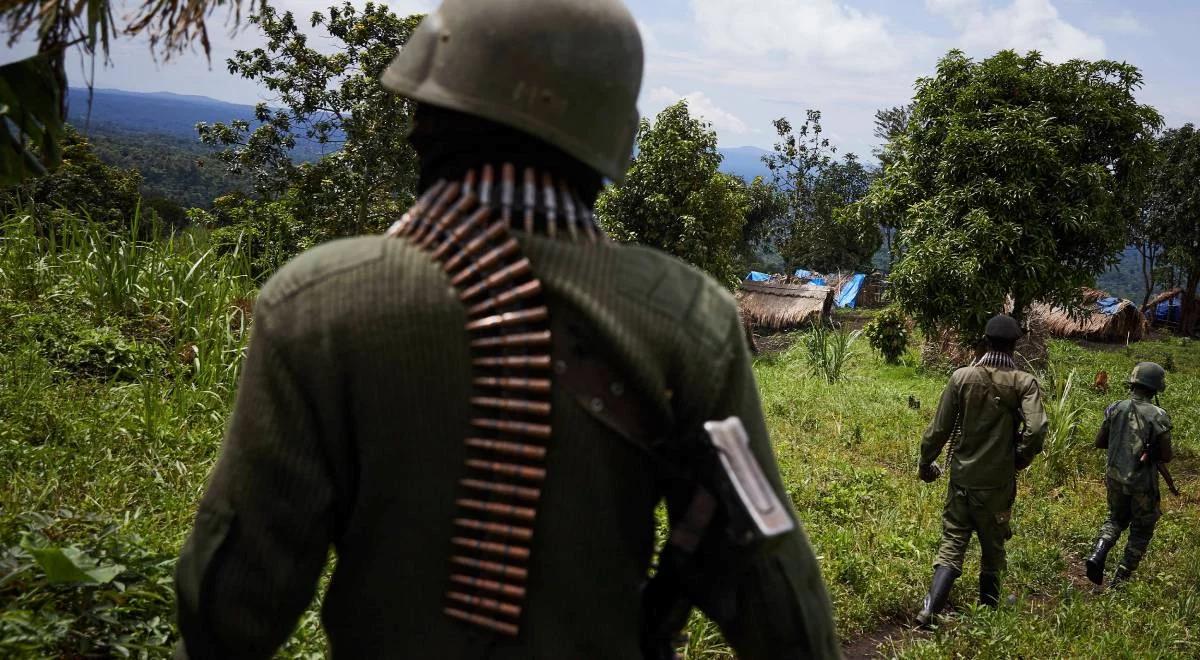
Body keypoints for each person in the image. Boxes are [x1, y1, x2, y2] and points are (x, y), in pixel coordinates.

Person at [172, 0, 840, 657]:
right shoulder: (688, 312)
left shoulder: (316, 302)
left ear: (425, 118)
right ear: (608, 136)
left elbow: (229, 605)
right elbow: (779, 599)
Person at [914, 314, 1047, 627]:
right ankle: (988, 611)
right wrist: (1020, 458)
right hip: (997, 483)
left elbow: (939, 429)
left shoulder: (962, 377)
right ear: (1016, 345)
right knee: (993, 545)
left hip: (961, 478)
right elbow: (1038, 428)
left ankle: (930, 609)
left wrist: (924, 463)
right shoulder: (1024, 383)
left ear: (985, 341)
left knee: (952, 542)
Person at [1084, 362, 1173, 587]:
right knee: (1142, 530)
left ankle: (1098, 552)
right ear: (1155, 389)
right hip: (1142, 483)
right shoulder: (1158, 414)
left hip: (1115, 477)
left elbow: (1099, 442)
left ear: (1133, 384)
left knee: (1115, 518)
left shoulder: (1115, 407)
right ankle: (1120, 579)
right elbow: (1166, 455)